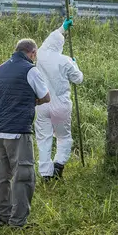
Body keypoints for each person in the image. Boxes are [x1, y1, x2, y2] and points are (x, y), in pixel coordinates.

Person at [0, 39, 50, 227]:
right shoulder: (30, 69)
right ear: (32, 53)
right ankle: (18, 221)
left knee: (1, 176)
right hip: (18, 130)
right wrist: (30, 101)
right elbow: (45, 96)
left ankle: (3, 216)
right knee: (23, 176)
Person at [34, 18, 82, 181]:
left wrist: (62, 28)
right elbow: (78, 79)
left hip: (42, 104)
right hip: (61, 105)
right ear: (60, 46)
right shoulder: (65, 60)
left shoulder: (39, 55)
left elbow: (51, 39)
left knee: (44, 138)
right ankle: (58, 165)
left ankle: (45, 173)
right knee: (63, 137)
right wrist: (75, 65)